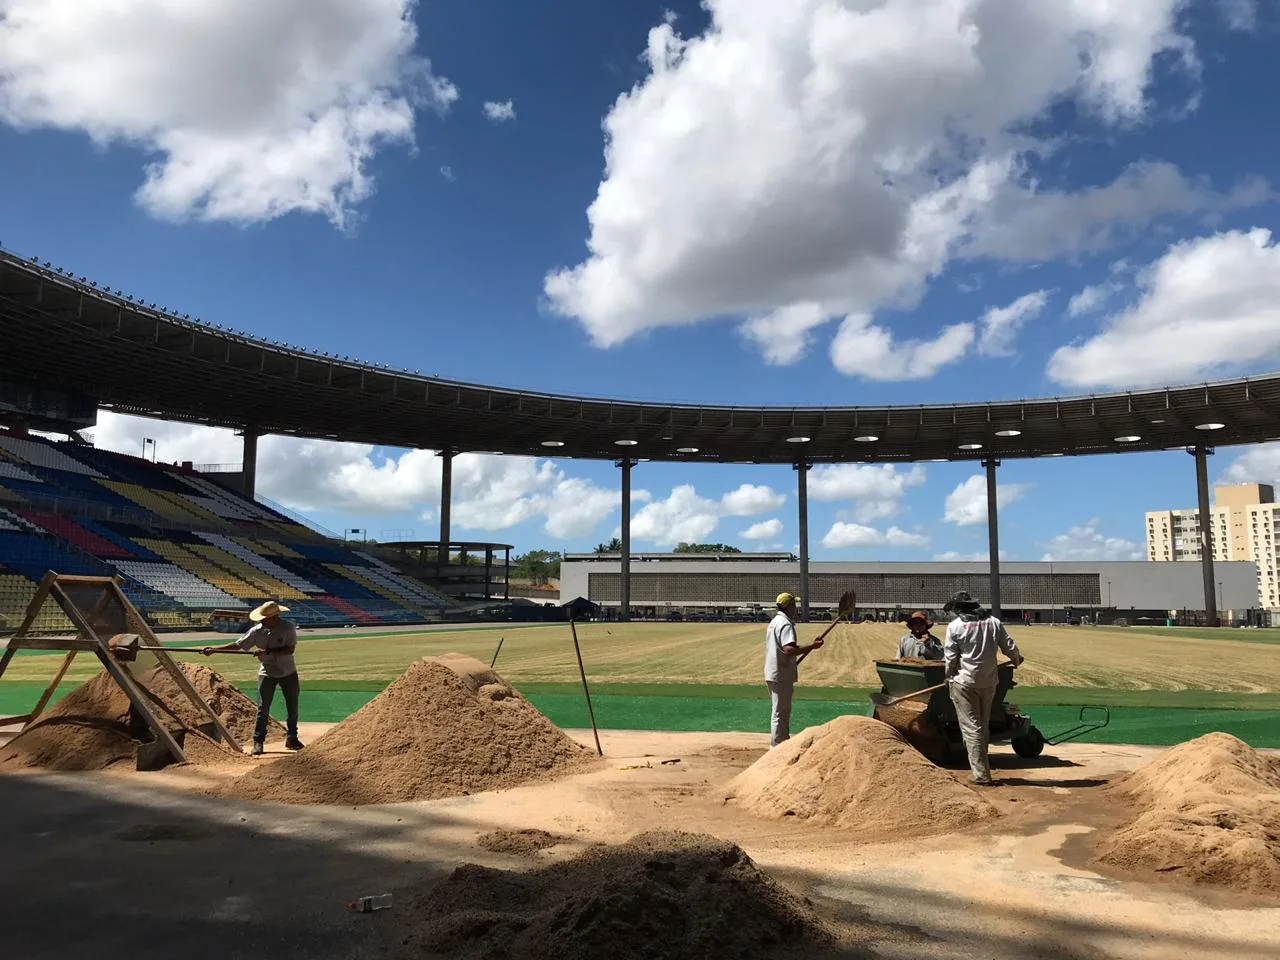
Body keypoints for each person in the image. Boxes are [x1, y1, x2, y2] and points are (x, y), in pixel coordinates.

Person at [942, 590, 1024, 785]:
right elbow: (1009, 646)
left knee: (972, 728)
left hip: (965, 682)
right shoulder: (994, 623)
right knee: (982, 725)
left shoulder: (955, 627)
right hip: (989, 682)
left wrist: (948, 675)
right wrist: (1016, 658)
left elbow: (951, 657)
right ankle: (980, 765)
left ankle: (981, 775)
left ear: (959, 609)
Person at [203, 600, 303, 756]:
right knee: (263, 708)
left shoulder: (287, 628)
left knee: (292, 707)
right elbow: (238, 645)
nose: (262, 620)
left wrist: (267, 652)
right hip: (267, 672)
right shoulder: (256, 631)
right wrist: (214, 649)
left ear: (275, 616)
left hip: (288, 672)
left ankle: (292, 738)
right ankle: (258, 741)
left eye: (265, 618)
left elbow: (289, 650)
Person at [763, 592, 824, 748]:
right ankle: (778, 747)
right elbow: (788, 650)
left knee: (779, 711)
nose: (796, 608)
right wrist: (812, 646)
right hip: (780, 673)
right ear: (789, 606)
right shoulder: (785, 624)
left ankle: (781, 742)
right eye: (794, 605)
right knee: (780, 712)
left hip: (774, 671)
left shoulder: (774, 622)